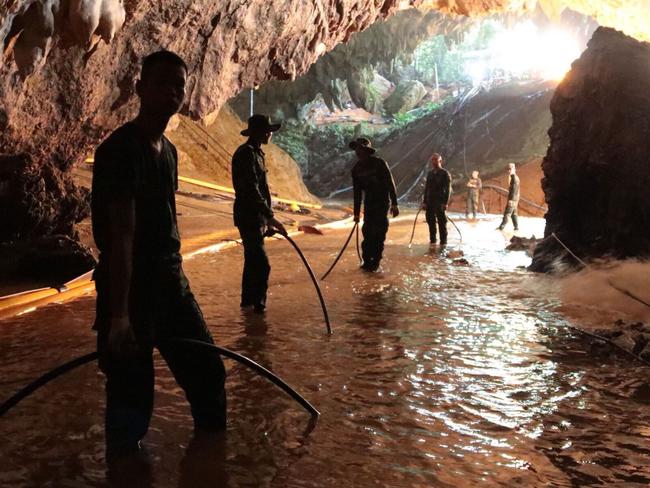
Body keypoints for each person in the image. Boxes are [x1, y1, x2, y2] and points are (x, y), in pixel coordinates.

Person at [91, 50, 227, 463]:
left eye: (179, 85)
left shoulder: (167, 151)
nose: (171, 91)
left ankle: (212, 467)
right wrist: (118, 318)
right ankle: (126, 471)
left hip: (171, 284)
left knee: (209, 375)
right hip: (130, 290)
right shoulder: (119, 150)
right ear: (139, 90)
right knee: (132, 405)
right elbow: (121, 236)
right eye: (161, 83)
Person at [232, 114, 287, 313]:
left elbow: (259, 189)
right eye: (267, 131)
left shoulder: (256, 153)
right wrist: (270, 216)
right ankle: (258, 308)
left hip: (256, 216)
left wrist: (266, 218)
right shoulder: (246, 153)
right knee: (262, 265)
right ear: (257, 133)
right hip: (248, 216)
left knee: (253, 261)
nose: (269, 135)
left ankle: (247, 305)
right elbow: (251, 190)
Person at [350, 137, 399, 271]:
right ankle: (366, 262)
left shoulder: (379, 163)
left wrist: (395, 203)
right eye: (356, 149)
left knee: (379, 234)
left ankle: (375, 262)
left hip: (382, 203)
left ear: (366, 150)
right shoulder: (356, 170)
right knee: (367, 233)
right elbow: (357, 193)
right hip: (369, 204)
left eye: (359, 149)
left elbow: (390, 183)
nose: (357, 152)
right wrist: (356, 213)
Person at [422, 153, 452, 245]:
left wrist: (445, 203)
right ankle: (433, 242)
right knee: (430, 222)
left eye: (435, 159)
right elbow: (426, 188)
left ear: (440, 161)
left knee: (442, 223)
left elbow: (448, 189)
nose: (434, 161)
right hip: (430, 201)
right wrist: (424, 202)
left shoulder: (445, 173)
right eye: (432, 160)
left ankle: (443, 243)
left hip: (440, 202)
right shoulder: (430, 173)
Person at [498, 162, 520, 231]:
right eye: (508, 169)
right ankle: (516, 228)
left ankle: (501, 227)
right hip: (515, 199)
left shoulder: (514, 178)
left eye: (510, 169)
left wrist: (511, 200)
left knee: (507, 213)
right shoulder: (513, 177)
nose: (509, 171)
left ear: (514, 169)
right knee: (514, 214)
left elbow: (515, 190)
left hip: (513, 199)